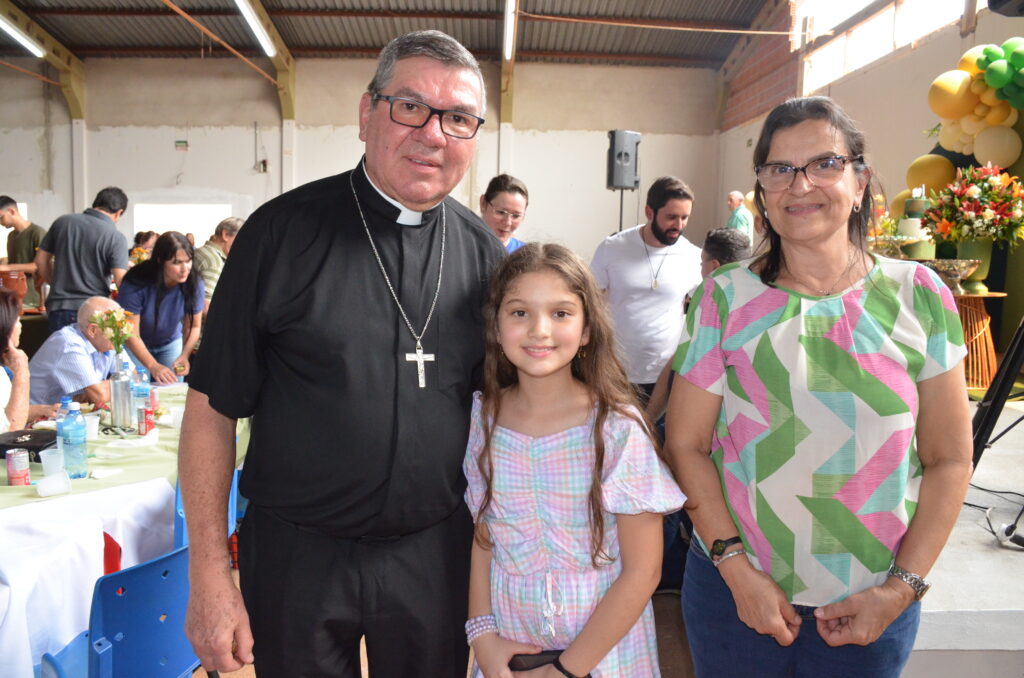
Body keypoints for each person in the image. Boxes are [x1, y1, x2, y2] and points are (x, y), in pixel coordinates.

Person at [179, 30, 505, 678]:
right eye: (410, 107)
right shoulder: (279, 235)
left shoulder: (485, 257)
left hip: (433, 555)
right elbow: (212, 413)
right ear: (367, 113)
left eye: (459, 118)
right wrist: (210, 576)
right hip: (298, 555)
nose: (433, 134)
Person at [665, 96, 973, 678]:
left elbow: (950, 457)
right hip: (737, 598)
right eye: (779, 168)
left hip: (873, 602)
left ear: (860, 182)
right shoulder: (723, 299)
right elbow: (685, 445)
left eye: (824, 164)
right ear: (761, 190)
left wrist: (901, 590)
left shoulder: (921, 295)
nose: (800, 184)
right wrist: (736, 571)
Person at [465, 243, 683, 677]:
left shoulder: (617, 428)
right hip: (510, 647)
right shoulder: (484, 417)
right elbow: (485, 535)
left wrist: (567, 669)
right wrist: (482, 635)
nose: (539, 330)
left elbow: (644, 570)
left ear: (586, 330)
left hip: (603, 654)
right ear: (496, 325)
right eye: (520, 312)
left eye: (561, 313)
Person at [590, 177, 702, 402]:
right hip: (616, 368)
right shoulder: (612, 248)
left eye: (684, 217)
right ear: (649, 212)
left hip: (665, 372)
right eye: (671, 217)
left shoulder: (693, 256)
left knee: (657, 435)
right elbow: (591, 303)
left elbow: (702, 311)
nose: (678, 226)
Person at [34, 187, 129, 334]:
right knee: (90, 357)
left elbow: (40, 261)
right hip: (93, 312)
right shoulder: (115, 237)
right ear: (119, 212)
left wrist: (56, 283)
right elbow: (120, 280)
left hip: (59, 306)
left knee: (61, 355)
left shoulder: (62, 222)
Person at [118, 231, 204, 384]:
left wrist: (185, 355)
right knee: (138, 392)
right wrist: (153, 365)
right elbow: (130, 333)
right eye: (177, 262)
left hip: (170, 342)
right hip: (135, 345)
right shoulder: (135, 282)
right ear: (160, 261)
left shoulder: (194, 282)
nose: (185, 268)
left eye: (188, 261)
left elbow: (194, 326)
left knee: (171, 393)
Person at [29, 296, 121, 406]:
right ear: (93, 330)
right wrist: (119, 383)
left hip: (65, 412)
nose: (120, 333)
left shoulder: (106, 341)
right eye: (114, 328)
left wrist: (95, 390)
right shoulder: (70, 344)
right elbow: (100, 397)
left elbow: (135, 377)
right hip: (38, 417)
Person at [0, 196, 47, 309]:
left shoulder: (37, 233)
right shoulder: (11, 236)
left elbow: (40, 266)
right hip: (13, 299)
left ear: (12, 211)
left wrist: (8, 267)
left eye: (1, 217)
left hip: (32, 299)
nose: (0, 222)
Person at [193, 216, 243, 315]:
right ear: (225, 235)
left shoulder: (202, 252)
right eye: (240, 238)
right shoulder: (214, 261)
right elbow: (206, 305)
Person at [479, 174, 528, 252]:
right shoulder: (461, 246)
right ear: (483, 204)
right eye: (501, 212)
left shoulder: (525, 255)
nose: (508, 222)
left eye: (516, 216)